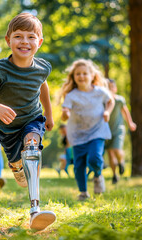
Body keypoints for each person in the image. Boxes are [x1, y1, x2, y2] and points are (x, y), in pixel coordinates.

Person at [0, 13, 56, 230]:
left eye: (31, 37)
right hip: (7, 129)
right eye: (18, 36)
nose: (24, 41)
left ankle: (35, 211)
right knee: (19, 163)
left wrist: (49, 115)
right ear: (8, 40)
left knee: (32, 148)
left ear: (39, 42)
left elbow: (43, 86)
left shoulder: (43, 67)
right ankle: (17, 167)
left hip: (32, 118)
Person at [60, 59, 114, 201]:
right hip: (77, 134)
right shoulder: (71, 95)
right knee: (79, 165)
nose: (81, 76)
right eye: (78, 74)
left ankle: (97, 175)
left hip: (97, 130)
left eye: (85, 73)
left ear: (92, 75)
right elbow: (65, 110)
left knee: (95, 158)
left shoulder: (100, 92)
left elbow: (111, 101)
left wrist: (107, 112)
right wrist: (65, 114)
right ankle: (83, 192)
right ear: (73, 77)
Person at [106, 79, 137, 184]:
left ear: (115, 89)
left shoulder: (119, 100)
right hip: (106, 130)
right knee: (110, 153)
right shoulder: (102, 101)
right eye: (107, 87)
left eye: (111, 87)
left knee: (117, 149)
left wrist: (130, 123)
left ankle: (121, 162)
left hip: (118, 129)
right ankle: (114, 174)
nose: (109, 89)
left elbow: (125, 112)